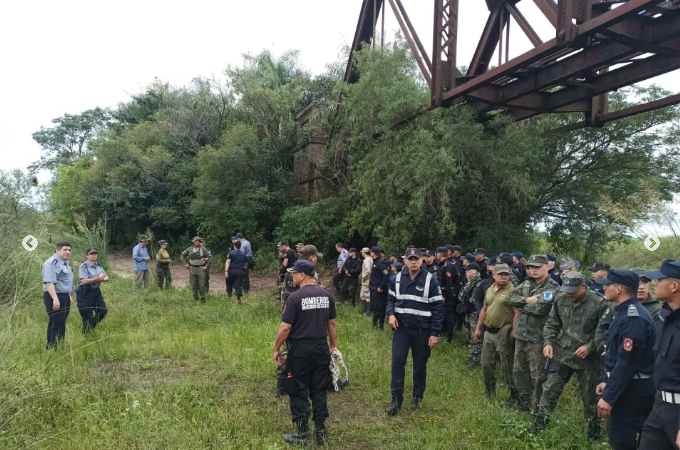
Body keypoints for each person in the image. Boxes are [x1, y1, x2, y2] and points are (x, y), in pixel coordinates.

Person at [528, 272, 608, 441]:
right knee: (550, 389)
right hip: (563, 353)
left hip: (589, 360)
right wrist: (548, 342)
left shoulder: (600, 303)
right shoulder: (561, 298)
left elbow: (606, 332)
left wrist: (590, 346)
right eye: (567, 290)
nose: (569, 294)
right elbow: (552, 324)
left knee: (590, 398)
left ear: (584, 287)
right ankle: (540, 423)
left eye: (573, 291)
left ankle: (594, 434)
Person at [273, 260, 337, 445]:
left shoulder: (294, 297)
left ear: (302, 275)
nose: (292, 277)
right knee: (319, 388)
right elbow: (331, 324)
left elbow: (285, 328)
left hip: (300, 351)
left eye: (294, 274)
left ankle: (302, 432)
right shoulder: (327, 295)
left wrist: (276, 348)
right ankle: (320, 430)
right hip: (320, 348)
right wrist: (332, 346)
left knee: (297, 388)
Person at [593, 269, 656, 450]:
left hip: (633, 391)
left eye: (608, 284)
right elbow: (616, 355)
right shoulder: (623, 312)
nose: (604, 288)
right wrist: (607, 381)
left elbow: (627, 363)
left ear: (619, 289)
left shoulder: (633, 319)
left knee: (624, 440)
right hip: (627, 385)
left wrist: (609, 397)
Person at [385, 247, 444, 415]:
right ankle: (396, 400)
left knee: (419, 366)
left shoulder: (430, 281)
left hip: (422, 331)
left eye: (416, 259)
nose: (413, 261)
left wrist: (434, 333)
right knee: (397, 363)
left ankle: (417, 398)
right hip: (401, 330)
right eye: (409, 258)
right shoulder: (395, 279)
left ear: (422, 260)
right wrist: (391, 315)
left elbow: (438, 309)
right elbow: (390, 300)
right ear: (404, 260)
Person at [509, 254, 559, 412]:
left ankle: (539, 408)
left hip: (537, 338)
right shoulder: (526, 283)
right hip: (521, 335)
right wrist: (527, 300)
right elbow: (510, 298)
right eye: (530, 267)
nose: (533, 270)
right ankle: (523, 404)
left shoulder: (552, 287)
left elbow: (540, 309)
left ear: (547, 267)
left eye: (537, 267)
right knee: (519, 371)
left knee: (538, 376)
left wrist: (522, 304)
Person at [639, 260, 680, 450]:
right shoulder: (665, 315)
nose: (654, 283)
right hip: (660, 404)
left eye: (659, 280)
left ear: (674, 285)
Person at [274, 245, 323, 398]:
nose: (316, 259)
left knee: (290, 348)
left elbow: (284, 294)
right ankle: (287, 383)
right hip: (306, 315)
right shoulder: (309, 274)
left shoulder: (292, 270)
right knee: (299, 349)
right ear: (311, 257)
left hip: (292, 313)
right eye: (315, 256)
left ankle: (282, 385)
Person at [475, 264, 518, 402]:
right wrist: (477, 328)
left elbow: (518, 313)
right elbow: (484, 309)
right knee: (486, 363)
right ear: (493, 275)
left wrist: (514, 332)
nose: (503, 277)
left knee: (507, 365)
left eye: (506, 274)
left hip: (504, 334)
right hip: (488, 332)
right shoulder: (490, 289)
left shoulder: (513, 291)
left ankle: (514, 394)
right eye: (500, 274)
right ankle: (490, 391)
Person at [42, 242, 74, 349]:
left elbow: (64, 281)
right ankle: (53, 347)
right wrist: (55, 299)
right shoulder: (52, 263)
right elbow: (49, 283)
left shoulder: (64, 263)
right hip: (54, 295)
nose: (67, 252)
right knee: (56, 322)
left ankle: (57, 345)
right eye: (65, 250)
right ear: (57, 250)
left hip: (63, 295)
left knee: (61, 322)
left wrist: (68, 295)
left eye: (69, 250)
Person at [76, 247, 110, 334]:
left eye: (95, 253)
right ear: (87, 256)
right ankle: (87, 333)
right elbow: (83, 281)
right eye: (91, 254)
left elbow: (106, 277)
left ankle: (90, 327)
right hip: (85, 292)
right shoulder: (84, 266)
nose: (93, 255)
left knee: (102, 311)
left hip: (96, 291)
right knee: (87, 315)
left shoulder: (98, 265)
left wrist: (101, 279)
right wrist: (97, 279)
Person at [459, 262, 485, 370]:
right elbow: (462, 294)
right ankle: (471, 358)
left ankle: (475, 361)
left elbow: (474, 300)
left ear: (475, 271)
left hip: (475, 314)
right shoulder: (469, 282)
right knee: (470, 337)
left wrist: (467, 300)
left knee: (476, 338)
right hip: (468, 313)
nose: (466, 272)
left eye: (468, 270)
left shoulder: (479, 283)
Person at [437, 247, 462, 343]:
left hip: (448, 295)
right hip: (447, 294)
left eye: (437, 253)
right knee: (444, 314)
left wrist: (444, 295)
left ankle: (449, 338)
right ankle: (443, 332)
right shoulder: (443, 264)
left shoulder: (447, 266)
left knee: (448, 315)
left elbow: (448, 283)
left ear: (440, 254)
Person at [180, 236, 212, 303]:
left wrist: (206, 265)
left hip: (201, 268)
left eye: (199, 241)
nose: (197, 242)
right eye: (196, 241)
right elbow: (182, 255)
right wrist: (185, 263)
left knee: (202, 284)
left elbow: (210, 257)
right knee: (194, 284)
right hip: (192, 268)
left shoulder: (203, 249)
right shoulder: (189, 249)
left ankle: (203, 299)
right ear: (193, 242)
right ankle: (195, 298)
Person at [369, 246, 390, 331]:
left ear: (374, 253)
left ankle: (380, 326)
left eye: (371, 252)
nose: (370, 253)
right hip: (373, 288)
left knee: (380, 308)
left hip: (379, 290)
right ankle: (374, 325)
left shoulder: (380, 263)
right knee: (375, 307)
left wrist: (381, 287)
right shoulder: (374, 262)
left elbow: (386, 275)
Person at [360, 247, 373, 317]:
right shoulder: (371, 259)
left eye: (362, 252)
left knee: (367, 295)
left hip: (366, 281)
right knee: (362, 295)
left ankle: (368, 312)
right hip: (367, 280)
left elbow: (368, 271)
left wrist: (364, 277)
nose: (361, 253)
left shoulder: (366, 260)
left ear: (364, 253)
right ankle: (363, 310)